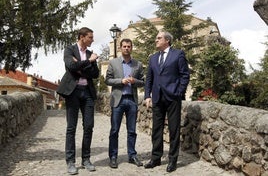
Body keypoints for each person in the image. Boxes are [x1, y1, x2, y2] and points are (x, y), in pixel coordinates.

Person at [144, 31, 190, 173]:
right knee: (156, 129)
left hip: (173, 98)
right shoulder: (153, 58)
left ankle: (172, 160)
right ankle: (156, 158)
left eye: (158, 38)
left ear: (167, 40)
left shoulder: (178, 54)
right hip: (157, 98)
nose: (155, 40)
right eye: (156, 38)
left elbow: (185, 75)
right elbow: (149, 79)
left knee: (173, 129)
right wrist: (147, 96)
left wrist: (179, 92)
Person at [57, 27, 99, 175]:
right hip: (72, 92)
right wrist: (89, 62)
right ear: (82, 37)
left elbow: (95, 74)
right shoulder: (69, 50)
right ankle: (70, 162)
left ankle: (86, 159)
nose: (92, 40)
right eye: (90, 37)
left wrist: (82, 66)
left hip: (87, 92)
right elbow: (71, 66)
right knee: (71, 128)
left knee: (89, 126)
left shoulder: (89, 53)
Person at [105, 38, 145, 169]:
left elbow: (143, 81)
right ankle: (113, 157)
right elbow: (108, 80)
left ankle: (132, 155)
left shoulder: (137, 64)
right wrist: (120, 81)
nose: (127, 48)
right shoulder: (113, 63)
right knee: (114, 130)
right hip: (118, 100)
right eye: (124, 46)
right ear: (120, 48)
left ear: (131, 48)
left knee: (132, 130)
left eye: (129, 46)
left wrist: (135, 81)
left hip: (132, 100)